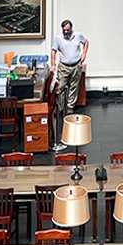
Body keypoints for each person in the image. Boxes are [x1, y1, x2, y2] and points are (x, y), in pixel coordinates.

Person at [51, 19, 89, 151]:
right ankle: (60, 107)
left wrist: (84, 53)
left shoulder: (78, 35)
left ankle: (70, 108)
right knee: (60, 87)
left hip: (76, 65)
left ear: (71, 28)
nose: (66, 32)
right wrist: (53, 64)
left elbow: (86, 41)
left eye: (68, 30)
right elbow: (53, 50)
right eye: (64, 30)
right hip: (64, 67)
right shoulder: (58, 38)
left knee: (74, 87)